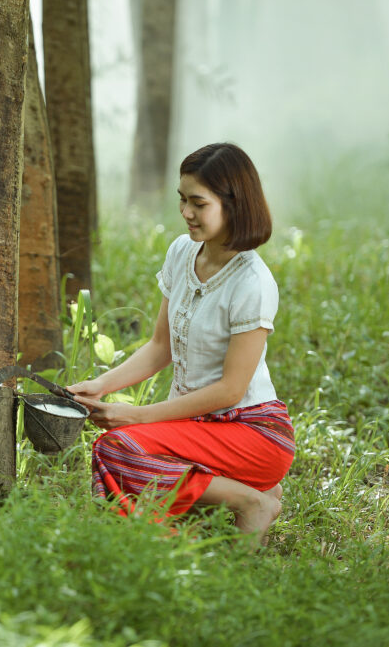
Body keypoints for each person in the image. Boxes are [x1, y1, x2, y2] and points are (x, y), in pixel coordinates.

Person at [67, 142, 294, 544]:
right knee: (119, 449)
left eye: (198, 203)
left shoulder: (252, 282)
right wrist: (101, 386)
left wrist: (136, 415)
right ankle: (239, 496)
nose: (186, 212)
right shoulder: (181, 252)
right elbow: (160, 347)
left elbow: (231, 389)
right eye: (182, 200)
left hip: (251, 432)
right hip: (197, 425)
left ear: (234, 204)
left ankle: (247, 501)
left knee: (116, 448)